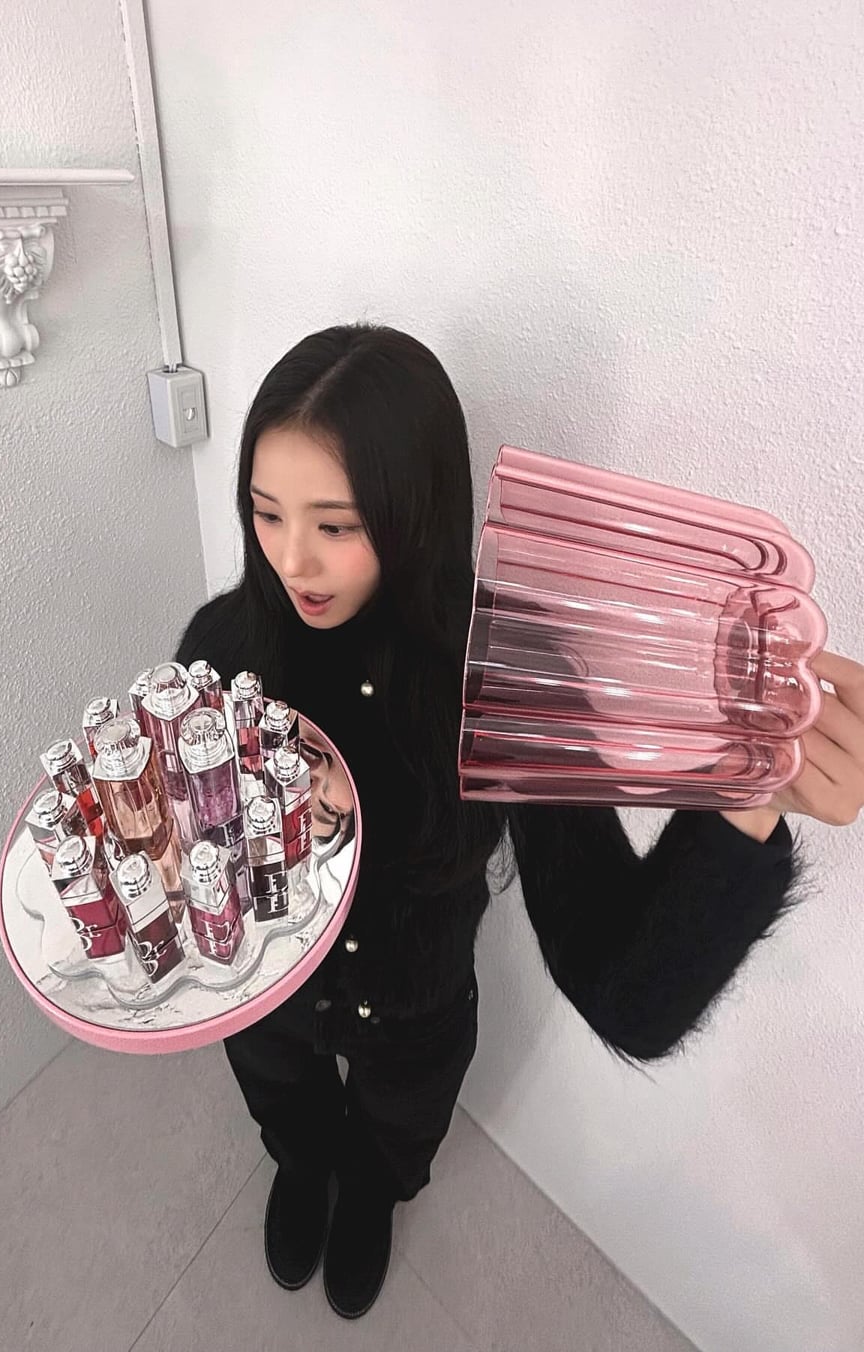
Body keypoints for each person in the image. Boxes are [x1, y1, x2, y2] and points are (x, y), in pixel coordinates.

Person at [173, 322, 850, 1321]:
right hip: (267, 989)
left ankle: (370, 1191)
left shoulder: (508, 683)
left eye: (338, 525)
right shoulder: (222, 643)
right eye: (266, 513)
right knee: (285, 1100)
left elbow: (626, 991)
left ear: (415, 512)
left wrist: (747, 805)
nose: (292, 559)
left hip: (416, 1007)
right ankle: (305, 1162)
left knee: (395, 1133)